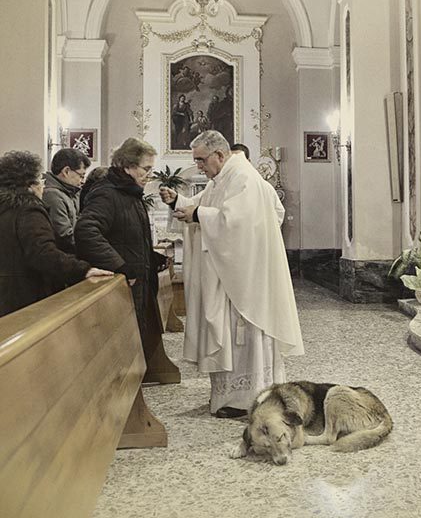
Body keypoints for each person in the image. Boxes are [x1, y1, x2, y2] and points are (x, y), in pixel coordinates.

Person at [159, 130, 303, 418]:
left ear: (219, 155)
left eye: (201, 160)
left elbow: (236, 221)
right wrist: (178, 202)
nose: (198, 166)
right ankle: (233, 397)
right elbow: (201, 205)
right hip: (231, 274)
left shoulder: (243, 178)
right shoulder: (221, 179)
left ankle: (246, 400)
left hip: (245, 279)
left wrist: (199, 216)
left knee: (244, 336)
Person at [75, 138, 166, 361]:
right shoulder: (107, 193)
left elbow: (127, 235)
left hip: (136, 281)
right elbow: (86, 231)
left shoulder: (129, 193)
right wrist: (120, 266)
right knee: (122, 351)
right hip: (123, 285)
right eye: (146, 168)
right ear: (127, 166)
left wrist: (150, 258)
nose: (149, 174)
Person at [0, 150, 112, 318]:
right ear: (29, 185)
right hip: (23, 293)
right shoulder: (29, 210)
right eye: (39, 179)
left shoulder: (6, 207)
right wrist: (82, 269)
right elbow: (42, 253)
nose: (43, 184)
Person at [43, 147, 91, 253]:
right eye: (81, 176)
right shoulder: (52, 195)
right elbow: (64, 236)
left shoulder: (69, 192)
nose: (82, 181)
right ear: (66, 171)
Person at [230, 143, 285, 226]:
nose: (236, 164)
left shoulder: (264, 186)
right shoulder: (227, 186)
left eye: (240, 160)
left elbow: (278, 212)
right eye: (233, 161)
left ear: (248, 161)